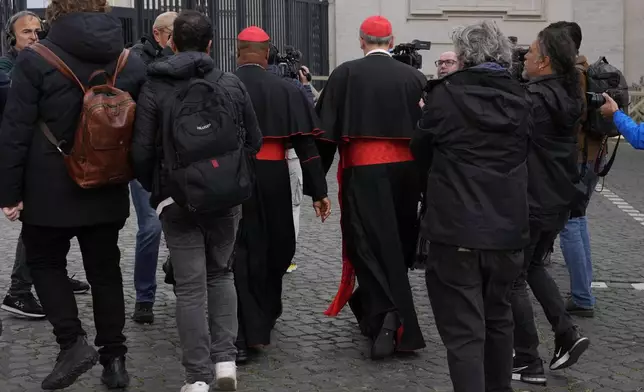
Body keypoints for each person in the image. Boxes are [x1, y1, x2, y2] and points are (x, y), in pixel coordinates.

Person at [0, 0, 148, 389]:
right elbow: (144, 128)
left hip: (48, 185)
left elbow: (15, 130)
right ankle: (115, 360)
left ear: (56, 12)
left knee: (45, 263)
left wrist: (10, 192)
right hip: (108, 180)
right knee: (105, 271)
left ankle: (72, 343)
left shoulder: (35, 59)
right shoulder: (129, 61)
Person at [131, 11, 263, 392]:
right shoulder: (230, 82)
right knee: (221, 274)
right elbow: (254, 140)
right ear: (210, 44)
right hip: (225, 197)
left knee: (190, 287)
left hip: (176, 197)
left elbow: (140, 153)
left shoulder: (154, 87)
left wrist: (160, 189)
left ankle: (197, 377)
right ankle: (225, 362)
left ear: (171, 42)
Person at [411, 21, 529, 391]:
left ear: (462, 56)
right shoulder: (523, 98)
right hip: (507, 228)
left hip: (456, 226)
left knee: (464, 332)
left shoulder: (444, 96)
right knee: (498, 319)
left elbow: (420, 153)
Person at [316, 15, 426, 360]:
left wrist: (317, 184)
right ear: (391, 42)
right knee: (394, 244)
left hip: (365, 172)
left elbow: (324, 134)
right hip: (408, 174)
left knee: (366, 244)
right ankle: (380, 314)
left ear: (362, 42)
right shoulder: (415, 77)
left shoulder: (345, 74)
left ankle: (390, 317)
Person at [232, 26, 330, 362]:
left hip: (233, 177)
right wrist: (319, 192)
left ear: (237, 51)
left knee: (241, 251)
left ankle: (246, 328)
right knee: (277, 246)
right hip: (274, 176)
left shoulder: (222, 85)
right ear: (267, 53)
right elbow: (307, 145)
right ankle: (261, 318)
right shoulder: (287, 89)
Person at [510, 26, 590, 385]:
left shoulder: (533, 99)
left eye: (529, 52)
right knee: (534, 268)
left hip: (530, 200)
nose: (523, 56)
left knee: (512, 280)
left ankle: (527, 359)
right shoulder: (569, 95)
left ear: (543, 61)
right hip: (556, 200)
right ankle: (566, 334)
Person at [0, 11, 89, 321]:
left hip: (47, 156)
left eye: (39, 30)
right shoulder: (8, 68)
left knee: (55, 223)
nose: (34, 36)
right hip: (23, 158)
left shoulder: (45, 63)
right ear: (13, 38)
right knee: (34, 225)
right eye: (27, 32)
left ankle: (50, 276)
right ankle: (19, 290)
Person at [127, 11, 178, 325]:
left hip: (175, 155)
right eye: (173, 33)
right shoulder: (135, 62)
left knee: (183, 224)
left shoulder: (184, 58)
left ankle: (180, 276)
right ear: (159, 33)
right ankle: (144, 297)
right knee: (151, 227)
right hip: (145, 157)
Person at [549, 21, 601, 318]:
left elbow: (570, 118)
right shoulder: (587, 68)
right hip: (590, 158)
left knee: (570, 224)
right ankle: (584, 291)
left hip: (577, 160)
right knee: (577, 221)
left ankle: (582, 297)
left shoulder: (574, 76)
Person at [266, 47, 316, 274]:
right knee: (293, 207)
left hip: (262, 154)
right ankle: (287, 256)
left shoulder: (259, 82)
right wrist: (305, 85)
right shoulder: (294, 86)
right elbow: (309, 117)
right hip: (291, 153)